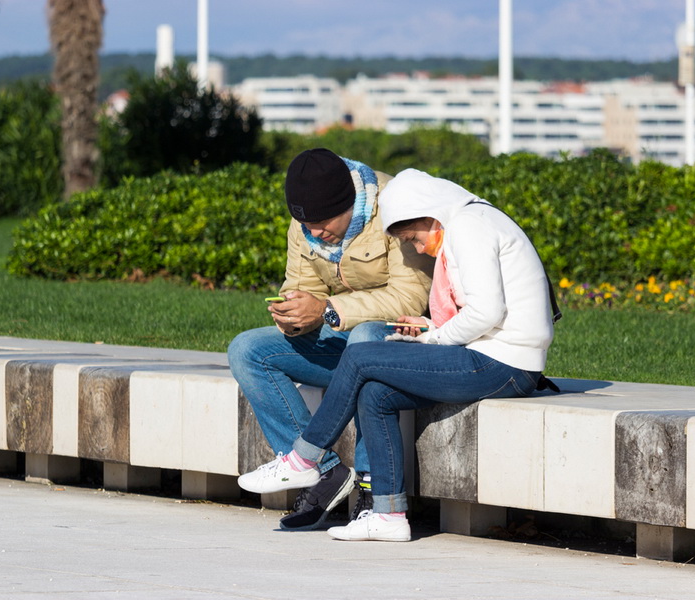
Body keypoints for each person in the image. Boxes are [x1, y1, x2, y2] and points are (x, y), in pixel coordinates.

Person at [237, 168, 556, 541]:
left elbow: (487, 314)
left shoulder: (470, 227)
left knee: (361, 358)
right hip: (491, 357)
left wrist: (433, 340)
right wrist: (428, 331)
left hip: (504, 365)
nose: (419, 249)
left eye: (415, 238)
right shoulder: (467, 221)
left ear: (430, 213)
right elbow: (478, 313)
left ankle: (304, 458)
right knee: (376, 393)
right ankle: (388, 515)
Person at [228, 149, 432, 531]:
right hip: (339, 332)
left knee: (366, 336)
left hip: (400, 342)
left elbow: (411, 298)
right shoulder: (304, 224)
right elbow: (302, 287)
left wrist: (325, 309)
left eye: (323, 221)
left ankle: (373, 486)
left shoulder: (392, 206)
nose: (315, 231)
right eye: (306, 222)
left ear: (349, 201)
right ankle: (322, 473)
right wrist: (293, 317)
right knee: (247, 350)